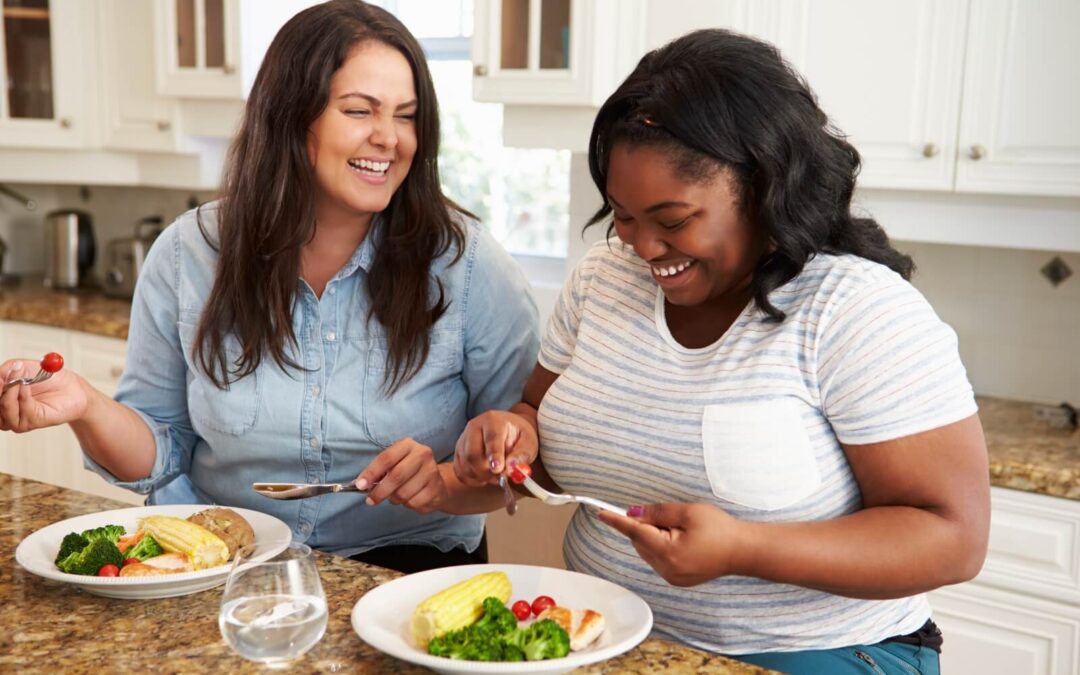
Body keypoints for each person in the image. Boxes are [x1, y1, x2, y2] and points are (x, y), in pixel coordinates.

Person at [450, 29, 990, 674]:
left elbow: (952, 538)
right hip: (606, 641)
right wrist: (512, 436)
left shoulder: (855, 310)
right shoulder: (603, 279)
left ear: (764, 187)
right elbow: (542, 429)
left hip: (815, 656)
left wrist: (744, 548)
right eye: (622, 215)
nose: (643, 247)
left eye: (673, 220)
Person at [0, 0, 538, 573]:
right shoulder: (189, 254)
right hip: (222, 564)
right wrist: (86, 405)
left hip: (404, 574)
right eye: (360, 111)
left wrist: (448, 480)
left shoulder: (468, 265)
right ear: (289, 116)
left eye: (406, 116)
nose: (389, 138)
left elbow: (517, 468)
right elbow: (160, 452)